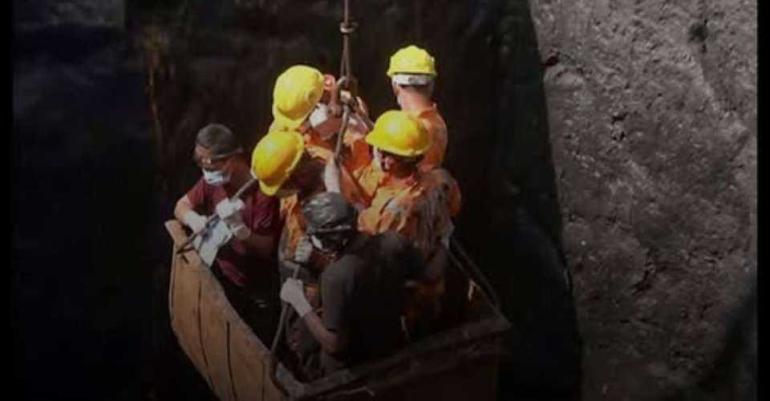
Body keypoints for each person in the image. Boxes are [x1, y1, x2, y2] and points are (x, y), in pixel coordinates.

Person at [279, 192, 441, 377]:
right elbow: (430, 275)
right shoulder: (393, 241)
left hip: (349, 370)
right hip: (389, 346)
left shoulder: (336, 277)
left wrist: (299, 302)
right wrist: (443, 243)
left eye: (314, 235)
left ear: (329, 239)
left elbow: (335, 344)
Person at [174, 123, 282, 340]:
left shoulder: (262, 195)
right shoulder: (213, 182)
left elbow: (266, 248)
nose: (207, 174)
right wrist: (193, 219)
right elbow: (181, 206)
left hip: (253, 288)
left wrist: (241, 231)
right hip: (220, 274)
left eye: (212, 166)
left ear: (232, 159)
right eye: (203, 165)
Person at [356, 110, 462, 333]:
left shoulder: (392, 208)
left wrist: (337, 186)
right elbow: (454, 209)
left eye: (381, 150)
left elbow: (362, 236)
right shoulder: (441, 178)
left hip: (405, 295)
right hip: (435, 279)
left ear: (388, 161)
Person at [387, 45, 448, 172]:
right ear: (431, 85)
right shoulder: (436, 122)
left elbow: (388, 175)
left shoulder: (413, 130)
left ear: (395, 86)